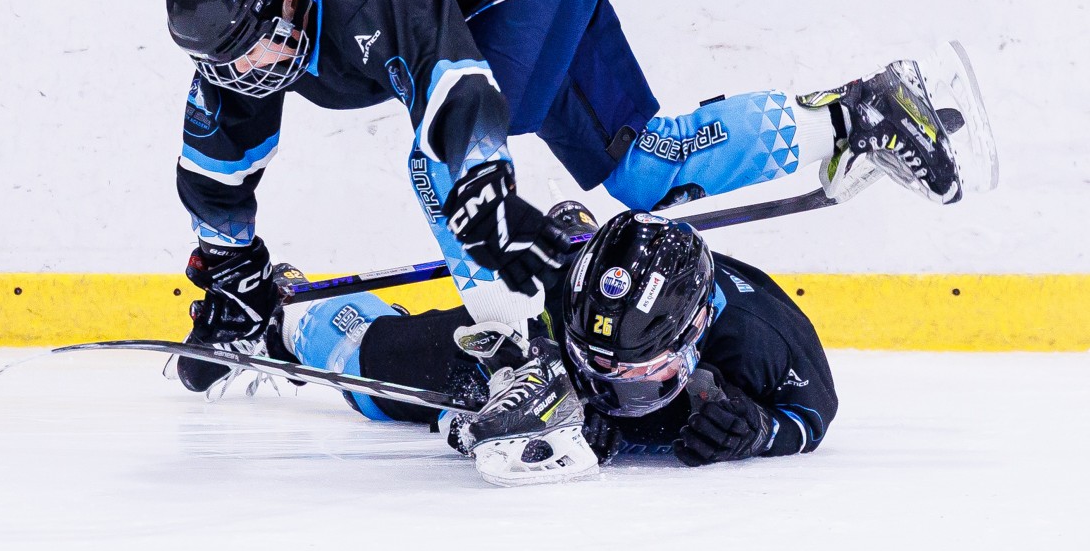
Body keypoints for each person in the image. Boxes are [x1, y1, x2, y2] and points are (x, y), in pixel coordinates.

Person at [163, 0, 956, 477]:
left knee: (439, 165)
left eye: (254, 44)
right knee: (643, 165)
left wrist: (488, 199)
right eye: (225, 58)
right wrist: (233, 270)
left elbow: (455, 89)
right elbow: (214, 161)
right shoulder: (255, 33)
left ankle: (518, 358)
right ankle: (856, 114)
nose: (246, 69)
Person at [175, 207, 838, 487]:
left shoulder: (763, 336)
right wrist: (501, 388)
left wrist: (764, 431)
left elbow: (814, 413)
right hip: (545, 345)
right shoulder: (559, 290)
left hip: (686, 381)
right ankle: (285, 321)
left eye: (636, 372)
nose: (613, 388)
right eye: (598, 367)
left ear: (696, 333)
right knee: (381, 369)